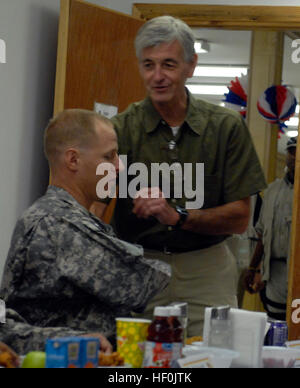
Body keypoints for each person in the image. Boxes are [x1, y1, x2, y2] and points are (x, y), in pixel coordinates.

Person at [93, 16, 267, 336]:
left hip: (206, 270)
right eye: (148, 65)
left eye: (169, 65)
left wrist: (177, 215)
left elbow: (241, 218)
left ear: (191, 65)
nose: (157, 76)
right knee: (135, 359)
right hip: (137, 266)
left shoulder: (225, 128)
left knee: (214, 356)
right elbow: (96, 208)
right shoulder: (119, 131)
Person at [0, 109, 170, 348]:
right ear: (73, 160)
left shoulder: (69, 216)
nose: (119, 167)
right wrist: (174, 220)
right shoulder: (58, 223)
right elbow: (140, 285)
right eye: (109, 156)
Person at [244, 137, 297, 321]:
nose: (294, 156)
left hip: (297, 274)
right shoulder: (273, 190)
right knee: (276, 326)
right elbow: (262, 233)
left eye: (298, 152)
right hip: (274, 274)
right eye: (291, 151)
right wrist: (253, 268)